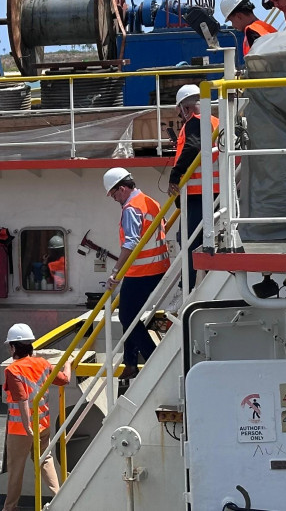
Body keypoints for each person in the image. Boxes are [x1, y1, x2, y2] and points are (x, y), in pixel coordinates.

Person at [102, 167, 170, 379]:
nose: (114, 199)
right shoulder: (150, 201)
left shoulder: (131, 208)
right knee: (129, 316)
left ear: (122, 188)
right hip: (159, 267)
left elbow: (131, 242)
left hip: (141, 271)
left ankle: (152, 359)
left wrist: (115, 272)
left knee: (127, 316)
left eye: (113, 194)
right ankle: (130, 363)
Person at [1, 323, 72, 511]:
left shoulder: (12, 370)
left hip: (21, 430)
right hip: (43, 424)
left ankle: (9, 508)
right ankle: (60, 498)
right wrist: (68, 363)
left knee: (15, 469)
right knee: (45, 460)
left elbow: (22, 399)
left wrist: (26, 425)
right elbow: (65, 380)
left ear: (13, 347)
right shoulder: (42, 363)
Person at [167, 84, 215, 292]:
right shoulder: (214, 121)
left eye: (180, 111)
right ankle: (198, 281)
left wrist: (175, 175)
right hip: (212, 191)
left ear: (185, 108)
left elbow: (193, 146)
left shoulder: (194, 122)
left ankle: (186, 286)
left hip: (197, 194)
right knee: (199, 240)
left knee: (187, 240)